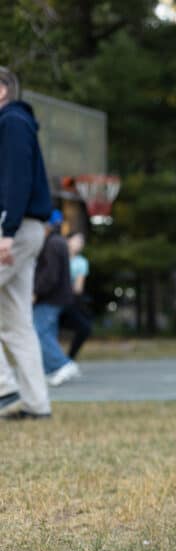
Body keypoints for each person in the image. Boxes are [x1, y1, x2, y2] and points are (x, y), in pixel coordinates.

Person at [0, 66, 53, 420]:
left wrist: (6, 231)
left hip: (14, 228)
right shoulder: (15, 123)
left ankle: (4, 385)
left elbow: (16, 179)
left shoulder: (12, 122)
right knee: (16, 319)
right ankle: (36, 404)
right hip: (24, 228)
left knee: (16, 319)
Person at [33, 209, 80, 387]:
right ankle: (50, 369)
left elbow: (50, 275)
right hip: (58, 296)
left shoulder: (52, 244)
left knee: (39, 331)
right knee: (48, 332)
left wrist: (36, 291)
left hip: (51, 297)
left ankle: (61, 364)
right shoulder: (59, 242)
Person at [60, 230, 92, 361]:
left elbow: (78, 288)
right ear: (68, 240)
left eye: (82, 241)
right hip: (50, 300)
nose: (81, 244)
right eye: (78, 240)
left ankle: (69, 360)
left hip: (69, 302)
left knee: (85, 328)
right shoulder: (57, 256)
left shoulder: (81, 262)